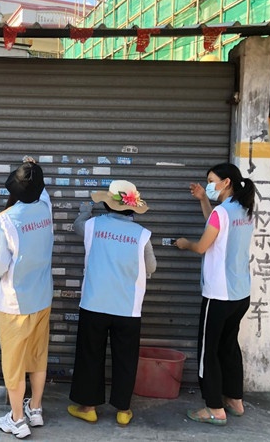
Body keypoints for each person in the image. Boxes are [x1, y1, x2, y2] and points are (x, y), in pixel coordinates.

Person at [68, 180, 157, 426]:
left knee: (90, 356)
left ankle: (88, 407)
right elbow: (151, 267)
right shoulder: (142, 234)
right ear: (132, 208)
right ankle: (123, 410)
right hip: (127, 309)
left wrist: (85, 211)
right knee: (125, 358)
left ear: (107, 204)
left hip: (94, 304)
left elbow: (77, 226)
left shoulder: (92, 225)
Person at [174, 162, 255, 426]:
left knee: (208, 351)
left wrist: (185, 244)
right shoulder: (244, 209)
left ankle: (214, 408)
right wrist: (203, 199)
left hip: (219, 294)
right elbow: (216, 227)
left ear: (226, 182)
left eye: (211, 181)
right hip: (240, 293)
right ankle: (235, 400)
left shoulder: (222, 212)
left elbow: (203, 246)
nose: (209, 185)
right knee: (228, 347)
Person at [0, 158, 54, 439]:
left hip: (15, 304)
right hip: (43, 297)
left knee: (13, 364)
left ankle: (17, 419)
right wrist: (33, 169)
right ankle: (35, 409)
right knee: (38, 356)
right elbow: (42, 191)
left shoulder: (5, 220)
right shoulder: (46, 209)